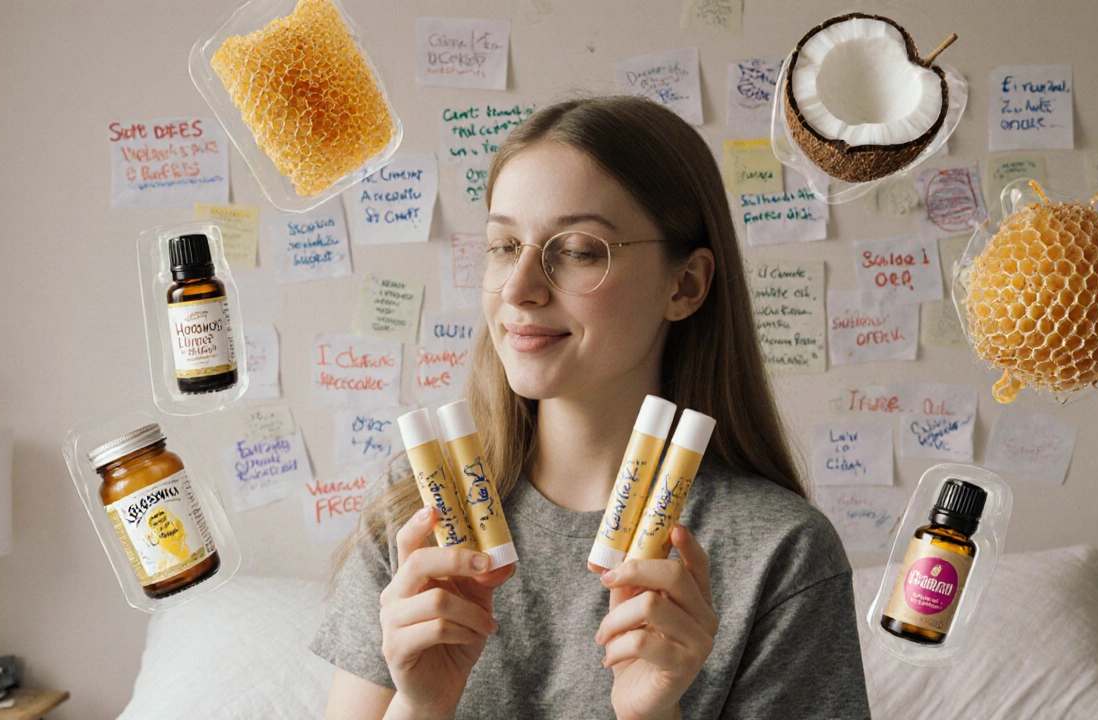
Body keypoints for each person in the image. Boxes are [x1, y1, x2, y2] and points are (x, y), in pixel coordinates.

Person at [311, 95, 870, 720]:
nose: (519, 290)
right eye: (502, 246)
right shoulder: (419, 506)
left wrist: (651, 714)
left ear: (685, 285)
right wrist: (423, 704)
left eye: (577, 250)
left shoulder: (778, 552)